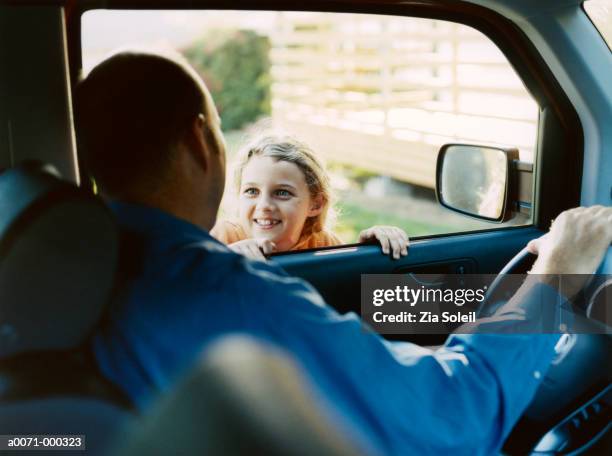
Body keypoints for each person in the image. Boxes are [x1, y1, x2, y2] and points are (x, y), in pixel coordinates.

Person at [75, 50, 612, 455]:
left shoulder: (93, 267)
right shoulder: (226, 292)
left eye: (283, 193)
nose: (264, 205)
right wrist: (560, 269)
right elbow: (455, 416)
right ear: (199, 142)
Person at [211, 134, 409, 260]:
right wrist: (225, 260)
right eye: (252, 191)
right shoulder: (222, 238)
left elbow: (346, 288)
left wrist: (367, 252)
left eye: (282, 193)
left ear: (316, 204)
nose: (264, 205)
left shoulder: (322, 243)